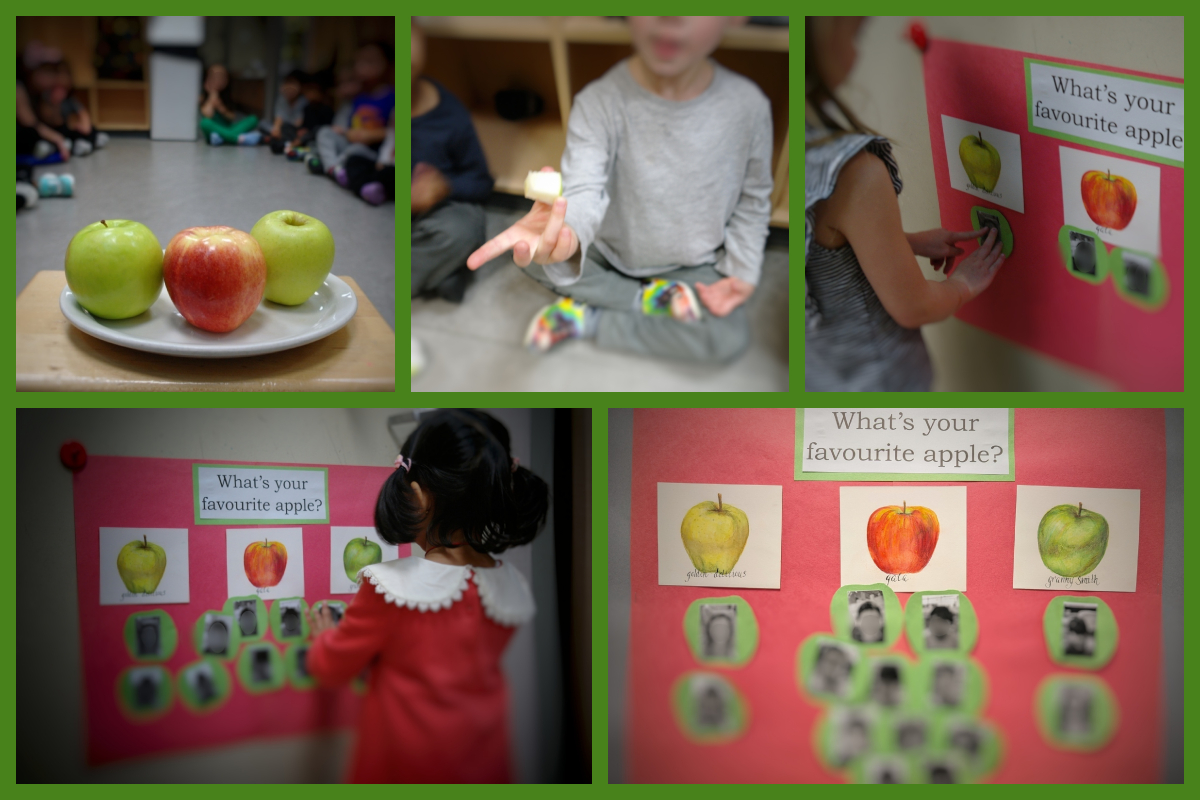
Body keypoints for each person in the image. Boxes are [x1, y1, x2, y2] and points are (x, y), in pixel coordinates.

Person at [468, 16, 771, 363]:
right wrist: (567, 234)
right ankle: (645, 299)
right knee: (529, 248)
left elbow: (754, 198)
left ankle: (593, 317)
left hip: (693, 264)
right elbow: (584, 187)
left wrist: (744, 270)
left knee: (726, 339)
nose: (670, 15)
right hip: (610, 251)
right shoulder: (598, 100)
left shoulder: (749, 106)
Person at [305, 409, 549, 783]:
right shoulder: (509, 584)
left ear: (417, 495)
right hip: (483, 769)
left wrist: (322, 638)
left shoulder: (389, 589)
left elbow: (332, 667)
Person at [804, 17, 1005, 390]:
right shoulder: (855, 173)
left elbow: (815, 247)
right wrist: (962, 284)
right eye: (855, 34)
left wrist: (904, 242)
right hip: (880, 382)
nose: (857, 50)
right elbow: (914, 307)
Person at [409, 21, 493, 301]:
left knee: (462, 228)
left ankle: (440, 267)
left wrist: (443, 186)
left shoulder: (450, 115)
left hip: (436, 214)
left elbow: (481, 181)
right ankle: (444, 272)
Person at [316, 42, 395, 183]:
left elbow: (394, 132)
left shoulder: (392, 96)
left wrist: (371, 135)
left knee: (355, 151)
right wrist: (342, 130)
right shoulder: (359, 95)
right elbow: (349, 122)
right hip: (349, 139)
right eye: (359, 62)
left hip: (370, 150)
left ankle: (333, 166)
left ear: (389, 65)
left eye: (370, 62)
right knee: (324, 132)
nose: (362, 67)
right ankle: (333, 168)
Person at [199, 64, 261, 146]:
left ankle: (223, 138)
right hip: (212, 130)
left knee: (253, 118)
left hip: (227, 128)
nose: (218, 80)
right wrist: (212, 93)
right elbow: (207, 114)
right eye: (215, 77)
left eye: (222, 77)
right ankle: (237, 139)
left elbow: (231, 118)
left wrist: (221, 108)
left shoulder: (228, 97)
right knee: (205, 123)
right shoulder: (202, 97)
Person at [264, 69, 308, 154]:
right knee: (264, 123)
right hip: (283, 130)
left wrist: (281, 128)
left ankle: (284, 144)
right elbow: (279, 117)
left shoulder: (303, 101)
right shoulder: (282, 99)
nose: (289, 88)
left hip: (294, 131)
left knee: (289, 129)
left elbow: (298, 123)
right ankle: (282, 143)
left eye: (293, 84)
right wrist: (276, 129)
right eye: (287, 84)